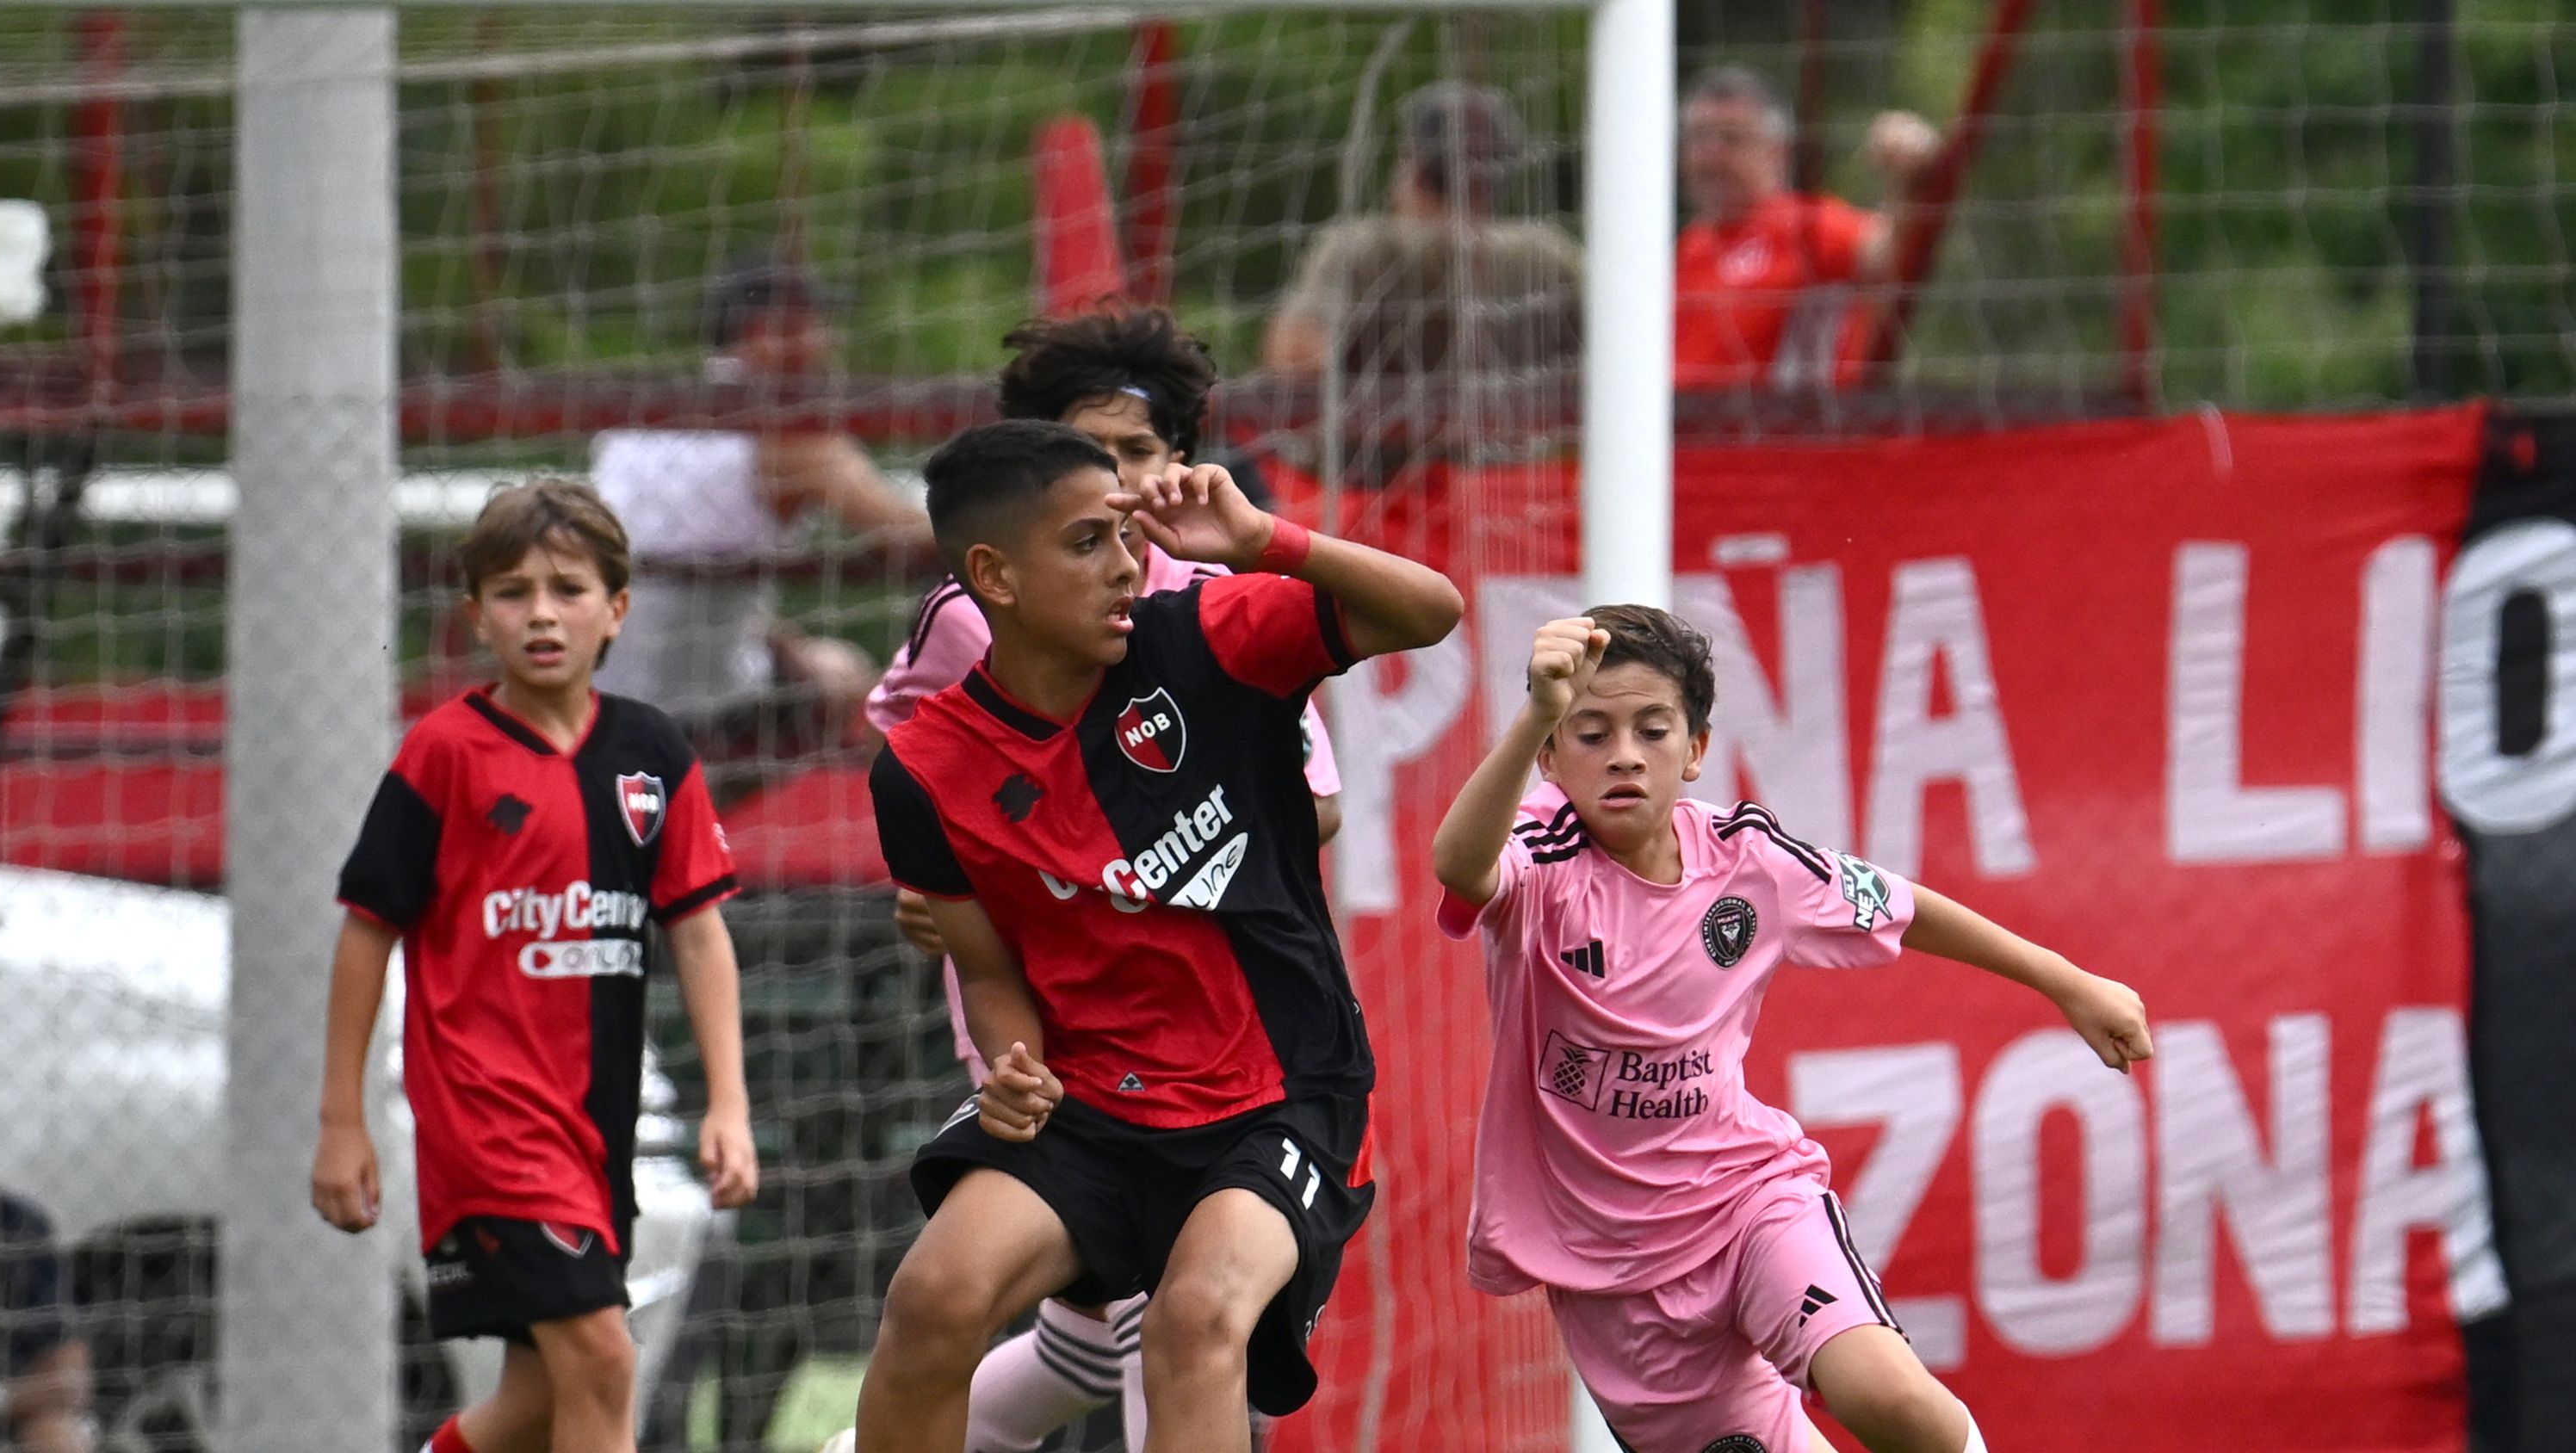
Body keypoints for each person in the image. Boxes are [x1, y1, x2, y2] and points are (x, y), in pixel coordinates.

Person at [851, 422, 1462, 1453]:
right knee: (933, 1298)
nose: (1128, 565)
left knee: (1194, 1322)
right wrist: (1014, 1062)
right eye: (1088, 541)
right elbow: (987, 969)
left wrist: (1266, 539)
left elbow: (1431, 609)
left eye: (1127, 535)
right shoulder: (922, 770)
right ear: (993, 575)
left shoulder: (1206, 636)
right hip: (1091, 1103)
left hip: (1280, 1091)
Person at [1432, 608, 2153, 1453]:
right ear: (1551, 759)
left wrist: (2067, 981)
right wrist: (1535, 715)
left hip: (1749, 1202)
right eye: (1590, 733)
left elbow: (1903, 905)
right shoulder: (1539, 858)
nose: (1624, 754)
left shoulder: (1749, 859)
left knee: (1890, 1398)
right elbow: (1460, 865)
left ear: (1695, 749)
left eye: (1652, 729)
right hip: (1611, 1276)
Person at [309, 479, 761, 1453]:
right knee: (604, 1360)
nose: (543, 613)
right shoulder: (445, 754)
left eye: (568, 589)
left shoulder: (652, 751)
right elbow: (367, 930)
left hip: (594, 1128)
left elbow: (698, 932)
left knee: (537, 1402)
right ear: (478, 615)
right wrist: (343, 1120)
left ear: (618, 609)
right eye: (514, 592)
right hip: (486, 1123)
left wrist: (728, 1102)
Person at [593, 258, 932, 792]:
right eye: (815, 325)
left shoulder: (643, 417)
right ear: (769, 333)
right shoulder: (793, 435)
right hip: (696, 704)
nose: (828, 342)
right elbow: (915, 534)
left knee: (806, 653)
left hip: (590, 680)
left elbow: (677, 564)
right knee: (850, 673)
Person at [1262, 83, 1582, 476]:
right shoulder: (1548, 255)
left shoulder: (1361, 248)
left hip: (1371, 493)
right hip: (1512, 491)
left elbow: (1293, 363)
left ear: (1412, 165)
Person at [1675, 66, 1941, 391]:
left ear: (1778, 152)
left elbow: (1894, 252)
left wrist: (1913, 183)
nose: (1710, 156)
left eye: (1732, 138)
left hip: (1776, 421)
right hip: (1675, 421)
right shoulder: (1687, 247)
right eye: (1699, 137)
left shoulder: (1806, 226)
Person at [0, 1190, 93, 1453]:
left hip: (12, 1404)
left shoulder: (14, 1222)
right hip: (13, 1398)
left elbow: (68, 1375)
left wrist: (7, 1399)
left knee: (54, 1431)